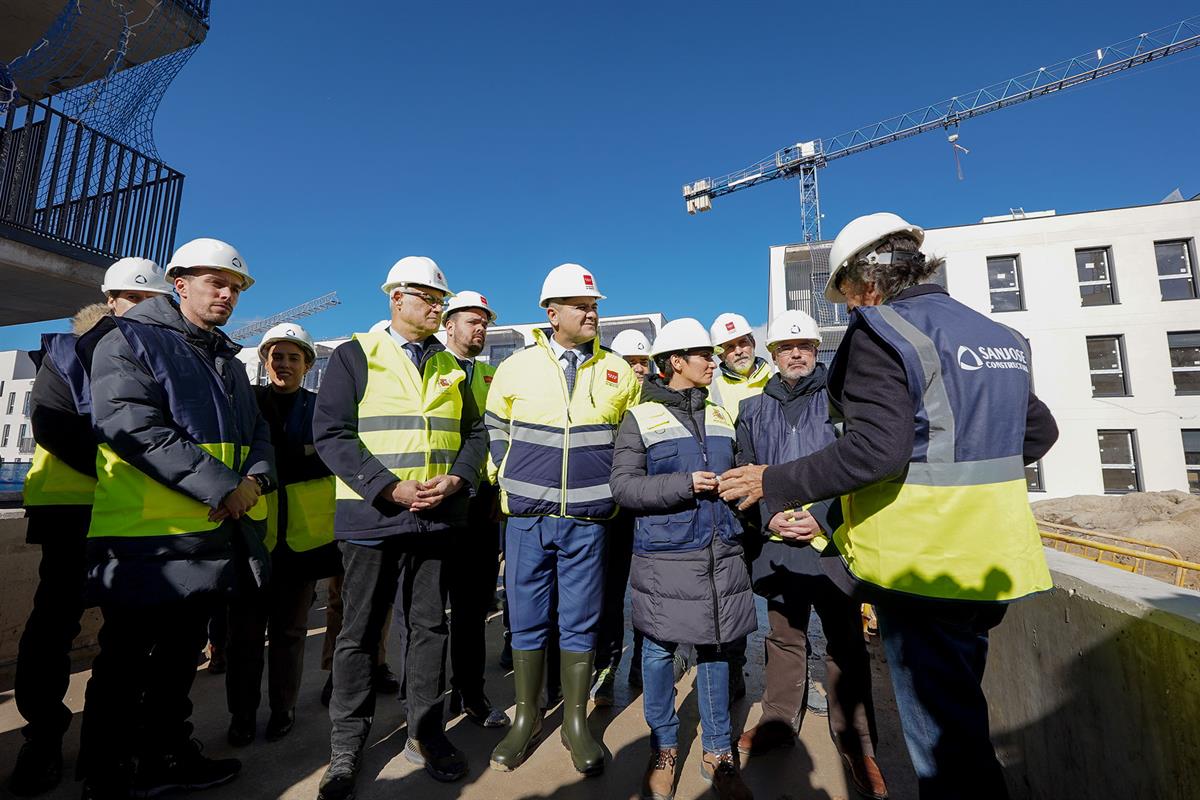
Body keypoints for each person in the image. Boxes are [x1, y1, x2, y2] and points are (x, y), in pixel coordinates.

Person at [719, 212, 1059, 800]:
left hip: (924, 564)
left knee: (945, 750)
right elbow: (1038, 433)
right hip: (995, 559)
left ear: (867, 280)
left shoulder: (882, 331)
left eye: (848, 295)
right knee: (962, 722)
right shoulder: (997, 335)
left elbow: (876, 450)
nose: (851, 308)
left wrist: (774, 479)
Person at [76, 239, 274, 798]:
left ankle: (166, 754)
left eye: (235, 286)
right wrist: (226, 487)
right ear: (179, 283)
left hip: (209, 536)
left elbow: (255, 431)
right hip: (147, 539)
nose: (228, 293)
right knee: (124, 665)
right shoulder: (128, 339)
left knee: (178, 662)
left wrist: (255, 480)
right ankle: (108, 774)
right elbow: (134, 428)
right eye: (216, 282)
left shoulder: (226, 358)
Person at [314, 257, 487, 796]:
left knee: (429, 628)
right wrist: (387, 486)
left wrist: (459, 480)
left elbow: (474, 434)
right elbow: (332, 433)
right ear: (396, 298)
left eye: (441, 299)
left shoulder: (449, 365)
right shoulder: (355, 355)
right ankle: (346, 748)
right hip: (373, 519)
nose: (438, 306)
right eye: (429, 298)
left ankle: (427, 733)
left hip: (435, 521)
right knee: (360, 634)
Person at [10, 259, 171, 797]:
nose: (141, 311)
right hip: (73, 513)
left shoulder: (160, 355)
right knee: (53, 628)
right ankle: (43, 735)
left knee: (129, 637)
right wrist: (131, 466)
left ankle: (110, 747)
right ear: (111, 300)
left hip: (134, 514)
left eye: (150, 303)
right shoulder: (65, 354)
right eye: (132, 300)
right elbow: (54, 428)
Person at [485, 263, 640, 775]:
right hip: (528, 518)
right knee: (527, 618)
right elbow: (494, 427)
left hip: (591, 521)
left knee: (580, 619)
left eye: (593, 305)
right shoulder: (516, 367)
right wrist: (505, 475)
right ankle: (526, 717)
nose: (592, 312)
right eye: (580, 306)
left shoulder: (617, 370)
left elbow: (628, 442)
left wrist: (613, 492)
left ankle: (576, 722)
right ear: (552, 314)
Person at [734, 309, 887, 800]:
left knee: (844, 640)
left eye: (804, 346)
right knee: (783, 636)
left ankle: (857, 739)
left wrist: (820, 517)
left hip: (835, 545)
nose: (795, 353)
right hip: (779, 547)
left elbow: (860, 467)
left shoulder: (841, 402)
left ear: (816, 350)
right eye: (785, 347)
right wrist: (770, 515)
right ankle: (779, 721)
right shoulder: (752, 410)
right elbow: (744, 473)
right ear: (773, 355)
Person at [610, 318, 755, 800]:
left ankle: (718, 750)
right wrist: (684, 484)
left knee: (714, 647)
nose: (713, 362)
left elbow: (739, 471)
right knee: (657, 651)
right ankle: (665, 746)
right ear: (675, 362)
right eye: (703, 355)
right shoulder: (640, 418)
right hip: (667, 555)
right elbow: (624, 487)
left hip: (720, 550)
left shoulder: (719, 414)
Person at [224, 324, 340, 746]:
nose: (284, 364)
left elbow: (331, 458)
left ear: (308, 365)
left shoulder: (322, 407)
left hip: (304, 541)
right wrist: (295, 458)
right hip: (252, 536)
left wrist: (275, 463)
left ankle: (283, 708)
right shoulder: (249, 404)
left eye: (293, 357)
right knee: (245, 636)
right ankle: (241, 715)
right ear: (265, 361)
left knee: (291, 633)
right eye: (276, 356)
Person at [440, 291, 510, 729]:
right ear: (448, 324)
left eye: (484, 321)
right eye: (471, 320)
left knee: (471, 610)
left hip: (481, 505)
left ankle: (469, 693)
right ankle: (423, 699)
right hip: (434, 501)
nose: (479, 328)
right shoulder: (431, 366)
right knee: (426, 613)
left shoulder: (492, 375)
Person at [592, 328, 654, 703]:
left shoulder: (662, 400)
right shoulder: (607, 399)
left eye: (643, 362)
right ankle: (607, 664)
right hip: (613, 512)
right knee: (610, 593)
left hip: (649, 512)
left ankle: (643, 665)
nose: (638, 369)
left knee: (649, 591)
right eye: (630, 362)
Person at [708, 312, 772, 422]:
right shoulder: (711, 391)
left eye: (743, 343)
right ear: (720, 356)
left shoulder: (776, 382)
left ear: (753, 344)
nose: (738, 351)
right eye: (730, 347)